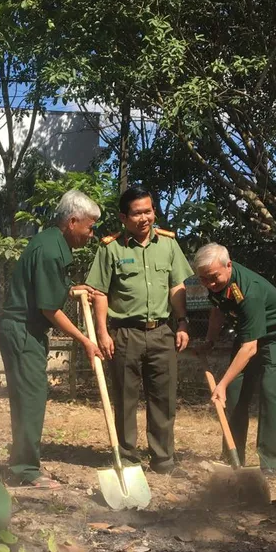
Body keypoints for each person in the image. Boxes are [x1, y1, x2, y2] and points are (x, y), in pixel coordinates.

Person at [0, 189, 104, 490]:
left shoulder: (50, 242)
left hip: (25, 330)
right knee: (31, 398)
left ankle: (22, 463)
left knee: (29, 396)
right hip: (22, 330)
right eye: (89, 226)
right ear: (72, 221)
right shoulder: (51, 250)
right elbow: (49, 309)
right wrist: (85, 340)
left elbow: (46, 287)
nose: (91, 234)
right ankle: (25, 470)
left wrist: (72, 287)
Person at [85, 186, 193, 475]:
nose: (144, 218)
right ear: (124, 217)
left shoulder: (169, 245)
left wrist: (182, 322)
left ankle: (162, 459)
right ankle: (128, 459)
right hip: (124, 335)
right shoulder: (111, 248)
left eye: (148, 211)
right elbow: (99, 292)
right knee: (125, 398)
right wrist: (103, 333)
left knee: (164, 397)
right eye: (137, 213)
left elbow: (177, 286)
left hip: (162, 332)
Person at [195, 242, 276, 479]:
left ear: (228, 266)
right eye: (203, 279)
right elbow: (218, 310)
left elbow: (250, 349)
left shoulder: (248, 290)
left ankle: (269, 462)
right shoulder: (217, 280)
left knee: (269, 390)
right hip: (248, 334)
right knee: (234, 391)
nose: (209, 284)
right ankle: (233, 458)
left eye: (213, 278)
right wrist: (209, 342)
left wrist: (219, 383)